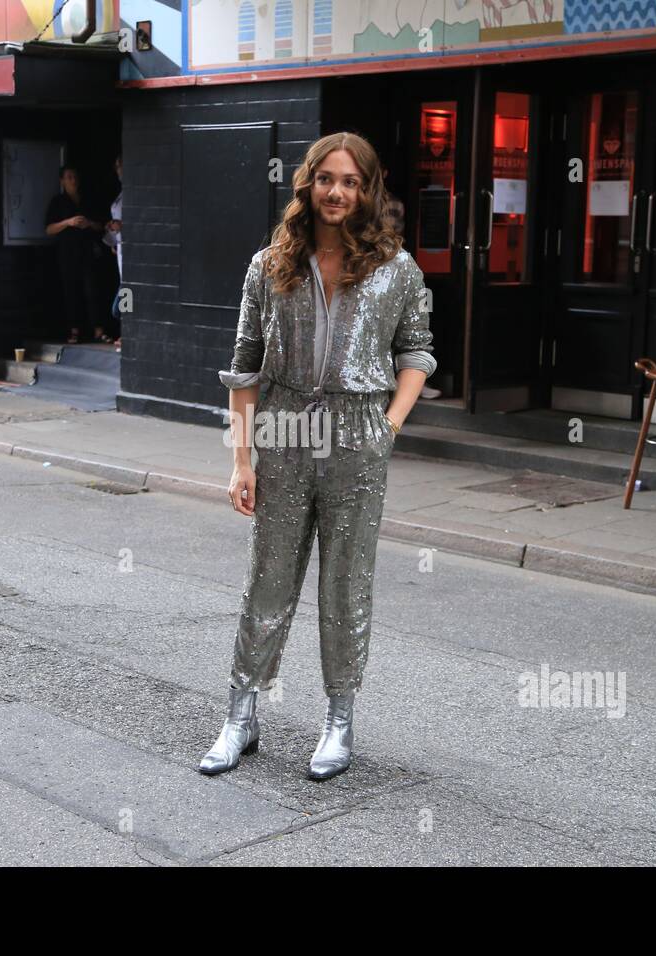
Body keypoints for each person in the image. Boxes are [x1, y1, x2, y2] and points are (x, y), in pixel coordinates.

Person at [200, 132, 437, 780]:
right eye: (327, 179)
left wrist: (388, 428)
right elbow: (244, 367)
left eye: (351, 181)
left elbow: (416, 354)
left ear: (367, 190)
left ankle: (339, 722)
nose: (338, 191)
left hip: (358, 432)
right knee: (267, 581)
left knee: (345, 586)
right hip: (280, 431)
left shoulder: (396, 269)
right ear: (309, 184)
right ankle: (240, 715)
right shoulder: (269, 265)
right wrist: (241, 460)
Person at [45, 165, 109, 344]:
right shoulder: (57, 202)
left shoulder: (88, 200)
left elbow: (102, 225)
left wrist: (88, 223)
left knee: (92, 290)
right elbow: (49, 229)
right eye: (69, 177)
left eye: (75, 177)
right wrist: (69, 222)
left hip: (87, 252)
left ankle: (98, 330)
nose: (73, 181)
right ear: (62, 181)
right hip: (67, 254)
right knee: (70, 291)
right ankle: (74, 330)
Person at [102, 154, 123, 350]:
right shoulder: (121, 194)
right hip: (120, 247)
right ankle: (126, 332)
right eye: (117, 166)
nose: (119, 170)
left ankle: (127, 332)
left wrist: (122, 225)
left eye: (121, 165)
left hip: (132, 253)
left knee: (123, 299)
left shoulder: (134, 192)